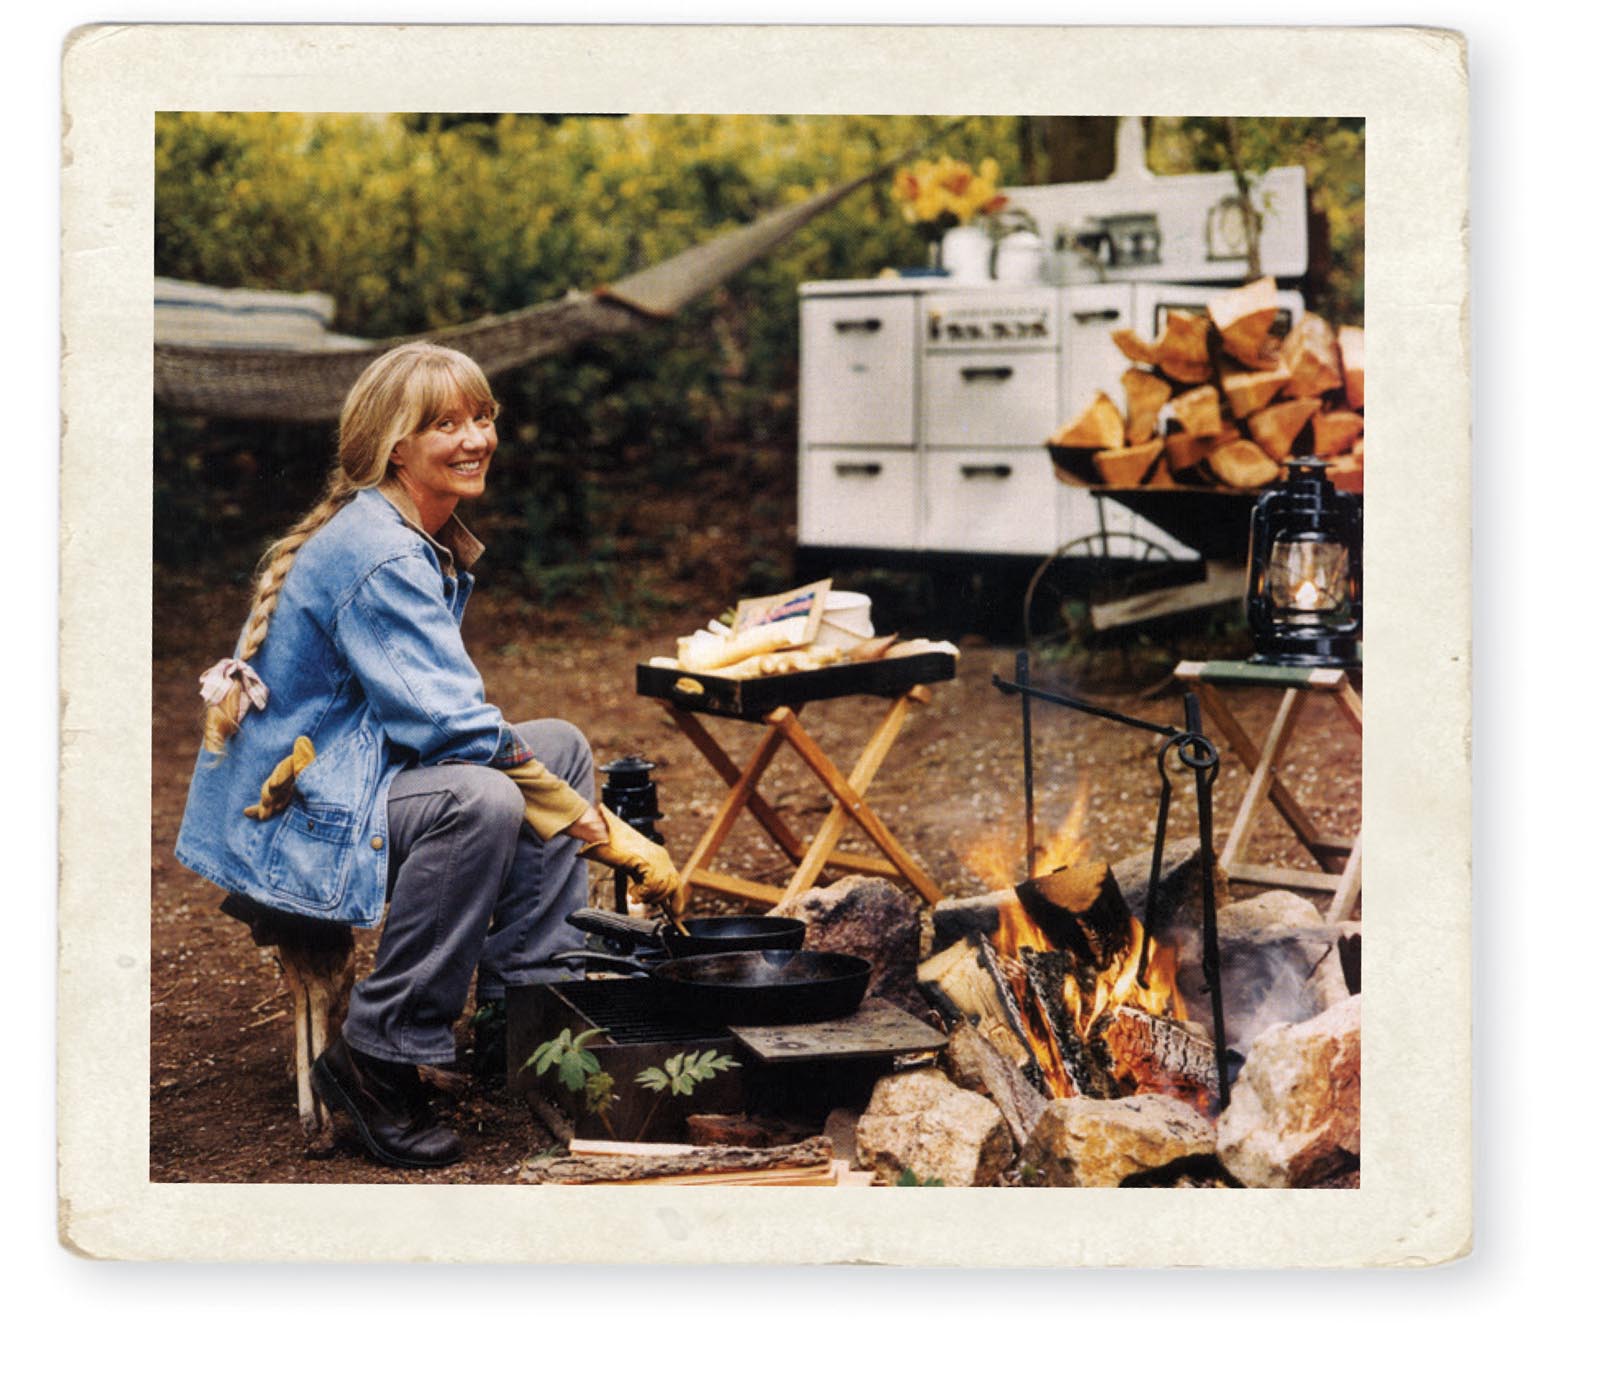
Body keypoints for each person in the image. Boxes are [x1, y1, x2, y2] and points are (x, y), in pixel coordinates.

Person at [175, 341, 682, 1169]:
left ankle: (522, 1018)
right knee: (479, 799)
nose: (474, 437)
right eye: (444, 423)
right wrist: (606, 835)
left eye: (482, 417)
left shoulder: (414, 531)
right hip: (290, 821)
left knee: (562, 745)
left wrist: (568, 800)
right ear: (394, 446)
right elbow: (454, 730)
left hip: (348, 774)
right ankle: (376, 1056)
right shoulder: (377, 550)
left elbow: (435, 716)